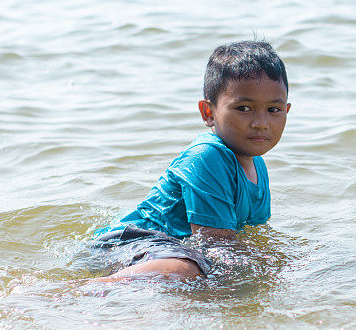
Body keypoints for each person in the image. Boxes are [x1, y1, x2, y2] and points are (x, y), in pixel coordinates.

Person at [91, 41, 290, 280]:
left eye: (273, 110)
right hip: (123, 245)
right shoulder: (207, 156)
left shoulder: (256, 163)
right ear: (208, 113)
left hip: (167, 249)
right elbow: (218, 246)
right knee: (188, 269)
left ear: (287, 110)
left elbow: (248, 234)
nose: (261, 122)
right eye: (244, 108)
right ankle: (77, 291)